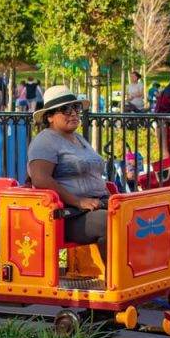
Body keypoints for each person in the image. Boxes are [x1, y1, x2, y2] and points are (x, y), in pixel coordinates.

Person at [28, 86, 109, 255]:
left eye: (76, 108)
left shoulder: (78, 138)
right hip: (67, 215)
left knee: (135, 216)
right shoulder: (45, 141)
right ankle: (116, 280)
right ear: (49, 116)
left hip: (97, 204)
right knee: (110, 222)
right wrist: (78, 201)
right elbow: (40, 179)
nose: (73, 113)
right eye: (65, 109)